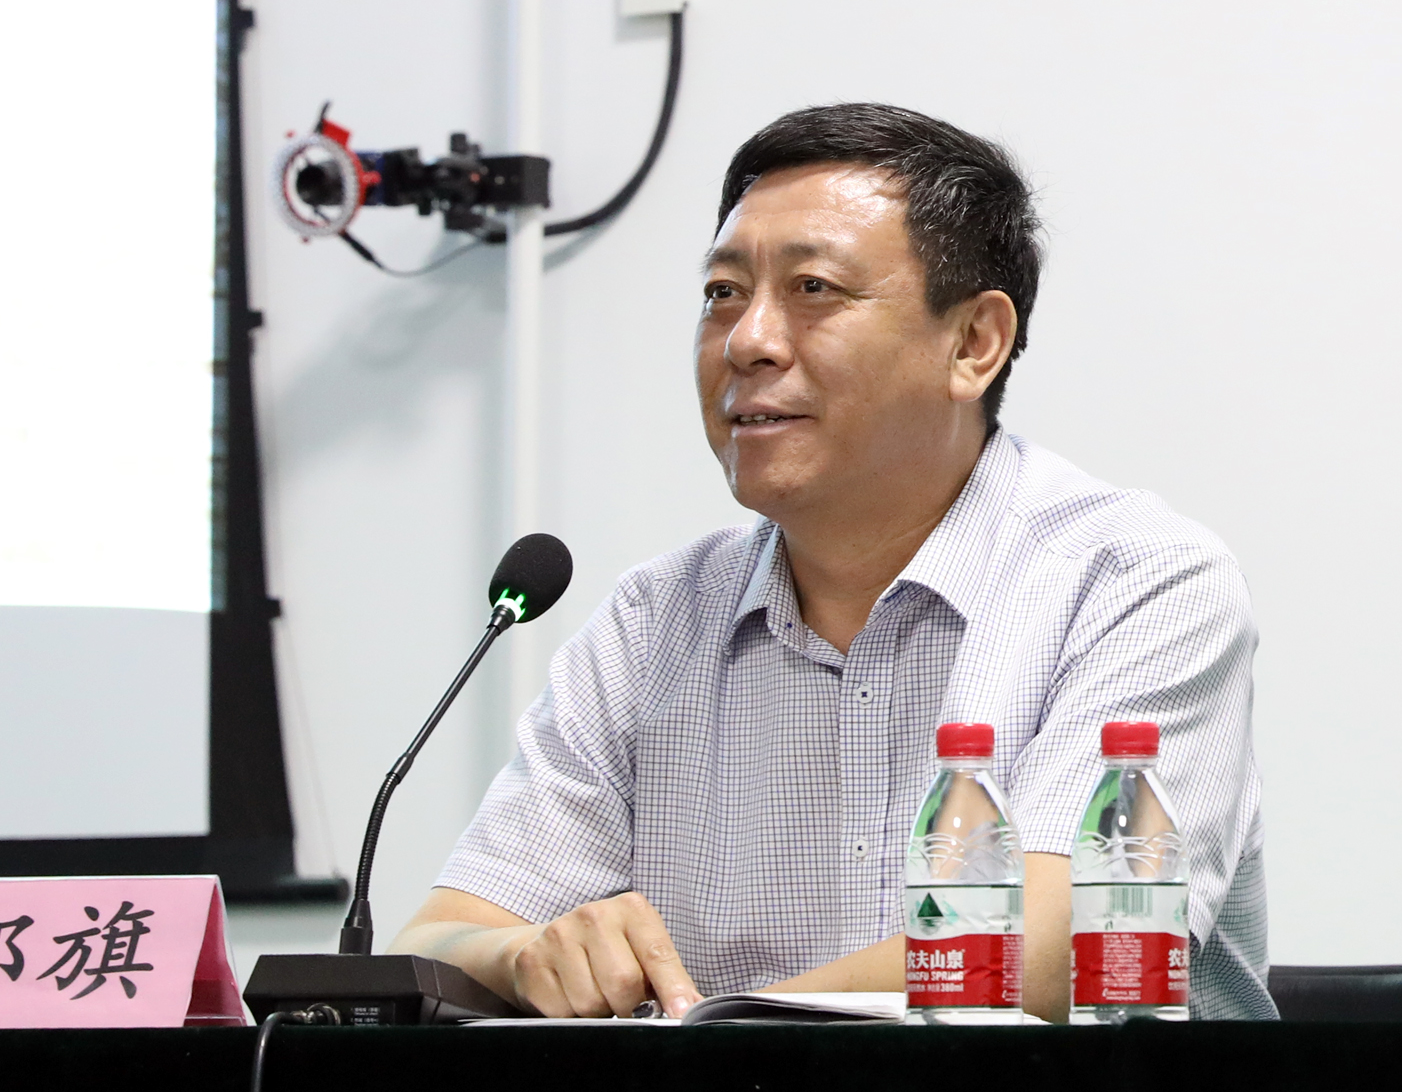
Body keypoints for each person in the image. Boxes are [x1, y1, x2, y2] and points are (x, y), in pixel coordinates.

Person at [390, 103, 1274, 1022]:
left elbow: (1059, 952)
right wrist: (528, 953)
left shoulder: (1138, 583)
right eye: (723, 292)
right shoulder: (654, 622)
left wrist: (696, 1035)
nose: (747, 340)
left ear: (973, 343)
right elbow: (436, 943)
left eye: (813, 288)